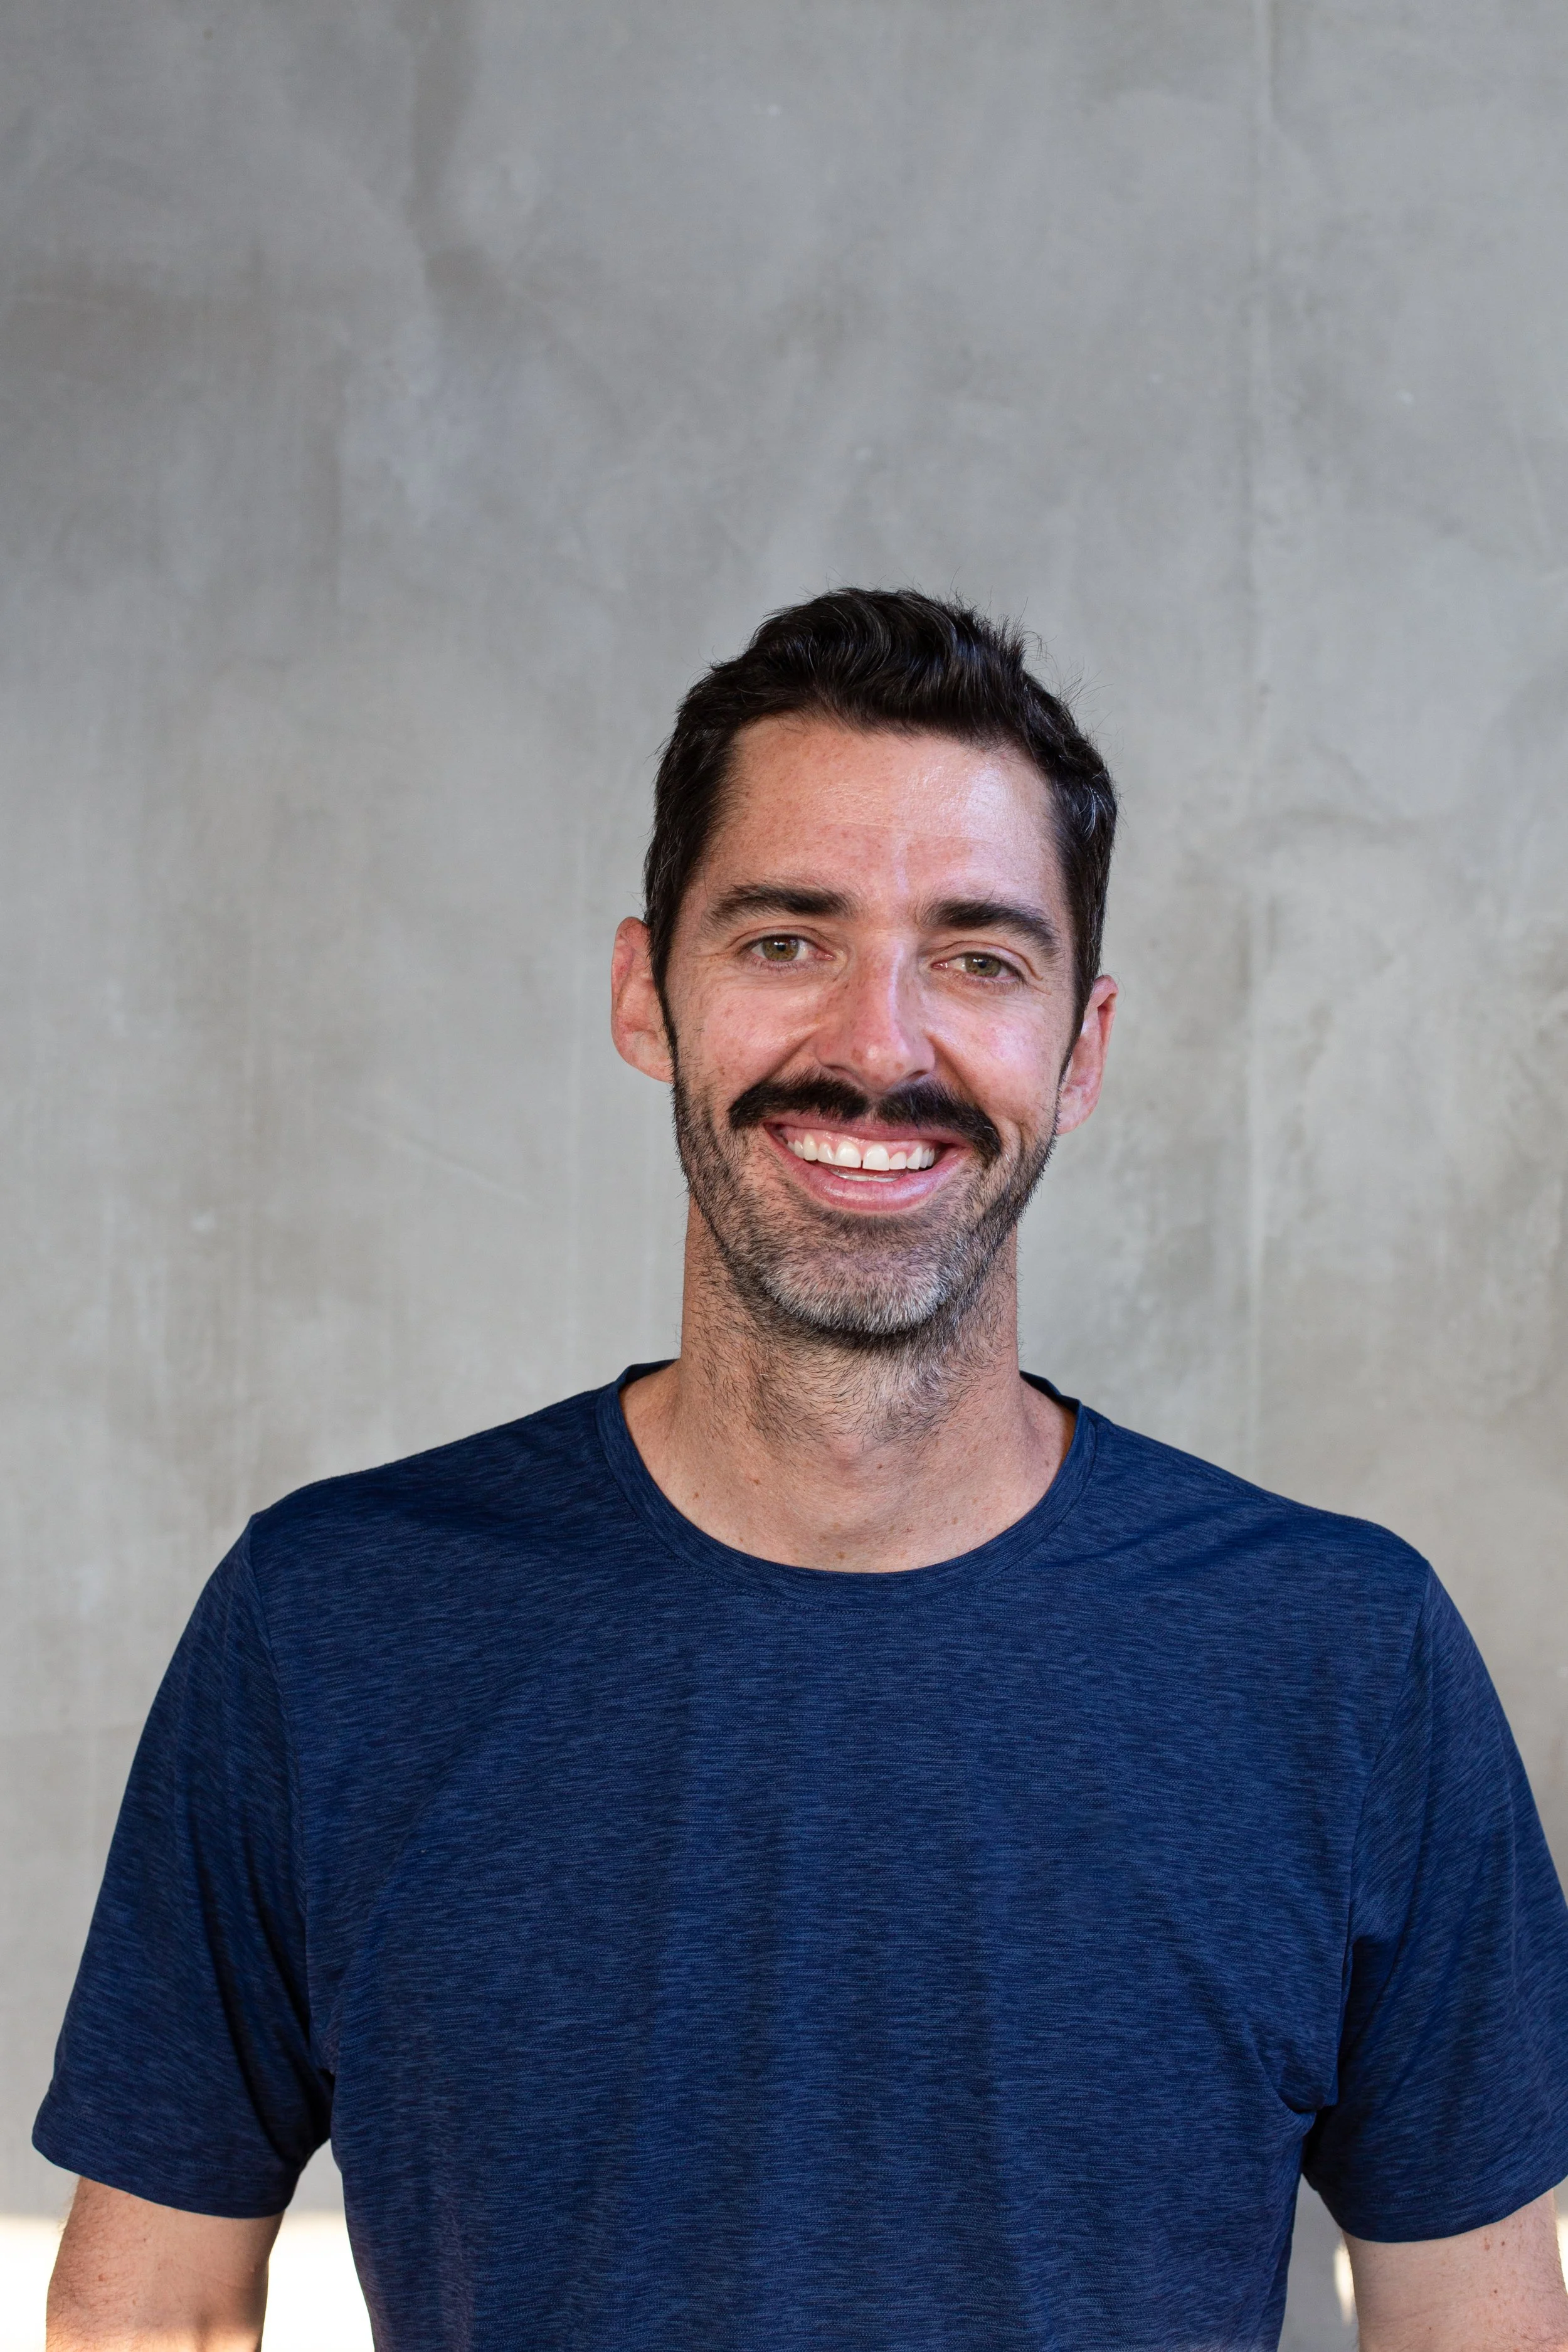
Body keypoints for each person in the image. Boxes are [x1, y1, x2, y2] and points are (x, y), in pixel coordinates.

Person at [38, 590, 1568, 2352]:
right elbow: (150, 2313)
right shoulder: (333, 1624)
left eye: (978, 955)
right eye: (785, 938)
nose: (877, 1042)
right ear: (646, 992)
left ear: (1079, 1047)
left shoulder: (1337, 1655)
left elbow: (1480, 2330)